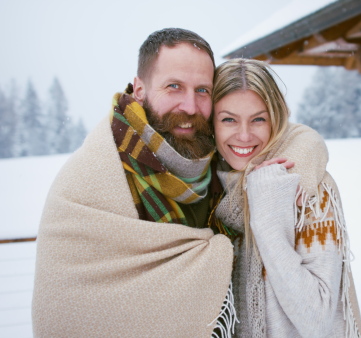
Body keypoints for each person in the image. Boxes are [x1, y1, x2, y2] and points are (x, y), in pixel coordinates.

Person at [32, 28, 235, 337]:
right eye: (174, 86)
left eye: (202, 90)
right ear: (139, 89)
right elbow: (66, 311)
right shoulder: (88, 179)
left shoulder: (223, 159)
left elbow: (273, 133)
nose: (190, 107)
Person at [212, 58, 361, 337]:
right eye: (229, 119)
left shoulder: (307, 191)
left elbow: (316, 319)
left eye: (258, 119)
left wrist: (266, 206)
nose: (244, 135)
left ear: (276, 118)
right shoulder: (208, 188)